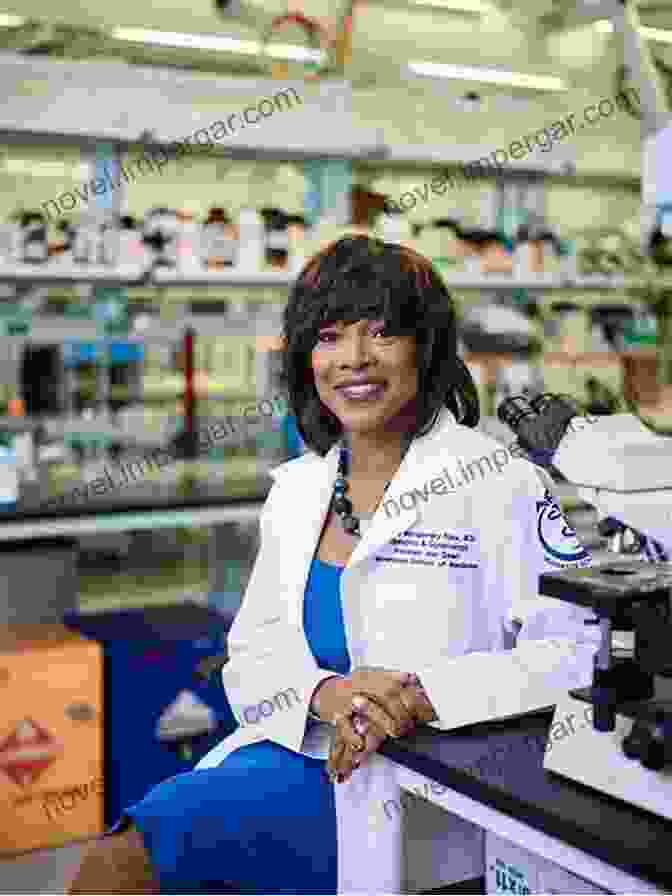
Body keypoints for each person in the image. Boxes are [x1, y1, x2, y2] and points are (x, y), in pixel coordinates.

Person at [67, 234, 598, 895]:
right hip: (297, 752)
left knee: (128, 860)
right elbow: (253, 656)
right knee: (120, 858)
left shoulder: (500, 482)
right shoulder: (297, 491)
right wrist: (329, 693)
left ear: (424, 350)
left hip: (428, 781)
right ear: (305, 358)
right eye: (330, 336)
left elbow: (579, 653)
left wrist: (422, 696)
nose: (354, 359)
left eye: (382, 333)